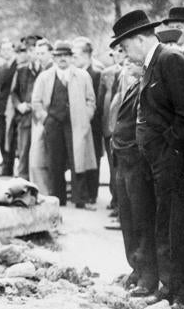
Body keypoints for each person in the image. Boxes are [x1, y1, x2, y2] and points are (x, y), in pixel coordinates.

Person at [110, 9, 184, 305]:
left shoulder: (169, 59)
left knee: (180, 230)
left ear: (138, 39)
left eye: (124, 47)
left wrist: (170, 150)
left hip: (175, 164)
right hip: (159, 165)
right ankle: (171, 288)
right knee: (165, 227)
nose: (124, 54)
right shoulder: (152, 64)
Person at [111, 59, 157, 297]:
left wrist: (133, 151)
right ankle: (135, 269)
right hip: (122, 161)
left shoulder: (146, 88)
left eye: (133, 62)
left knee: (142, 220)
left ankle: (148, 276)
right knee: (127, 218)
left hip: (136, 162)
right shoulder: (132, 86)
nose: (127, 64)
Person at [32, 40, 97, 208]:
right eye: (59, 56)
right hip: (53, 123)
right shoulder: (45, 77)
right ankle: (57, 198)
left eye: (66, 55)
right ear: (54, 58)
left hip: (76, 124)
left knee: (78, 160)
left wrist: (86, 117)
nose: (62, 59)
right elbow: (36, 102)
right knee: (55, 161)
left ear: (71, 58)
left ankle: (79, 199)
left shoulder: (82, 76)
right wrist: (45, 119)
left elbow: (91, 100)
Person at [72, 36, 102, 204]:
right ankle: (82, 191)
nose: (72, 59)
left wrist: (88, 118)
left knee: (93, 157)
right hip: (78, 124)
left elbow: (96, 100)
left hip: (93, 124)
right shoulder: (75, 73)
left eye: (75, 55)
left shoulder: (96, 73)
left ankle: (92, 193)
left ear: (85, 55)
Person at [98, 47, 125, 214]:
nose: (117, 55)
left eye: (121, 51)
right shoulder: (107, 73)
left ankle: (121, 204)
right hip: (109, 127)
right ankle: (115, 200)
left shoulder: (133, 71)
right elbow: (102, 103)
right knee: (112, 165)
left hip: (125, 128)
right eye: (113, 52)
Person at [10, 42, 42, 180]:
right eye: (29, 51)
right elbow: (14, 93)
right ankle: (23, 182)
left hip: (40, 116)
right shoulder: (21, 70)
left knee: (40, 151)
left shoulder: (47, 70)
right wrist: (19, 105)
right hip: (25, 117)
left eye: (35, 50)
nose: (32, 53)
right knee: (23, 150)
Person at [29, 39, 53, 191]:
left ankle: (45, 190)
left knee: (39, 158)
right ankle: (42, 188)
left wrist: (45, 118)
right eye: (37, 53)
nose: (39, 56)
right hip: (39, 118)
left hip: (47, 118)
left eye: (43, 53)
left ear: (50, 53)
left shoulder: (51, 70)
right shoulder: (39, 69)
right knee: (38, 156)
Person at [0, 40, 18, 175]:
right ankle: (6, 166)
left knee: (13, 138)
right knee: (2, 138)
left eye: (8, 49)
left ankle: (12, 166)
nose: (6, 52)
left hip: (14, 106)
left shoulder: (18, 66)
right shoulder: (0, 69)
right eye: (3, 50)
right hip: (2, 107)